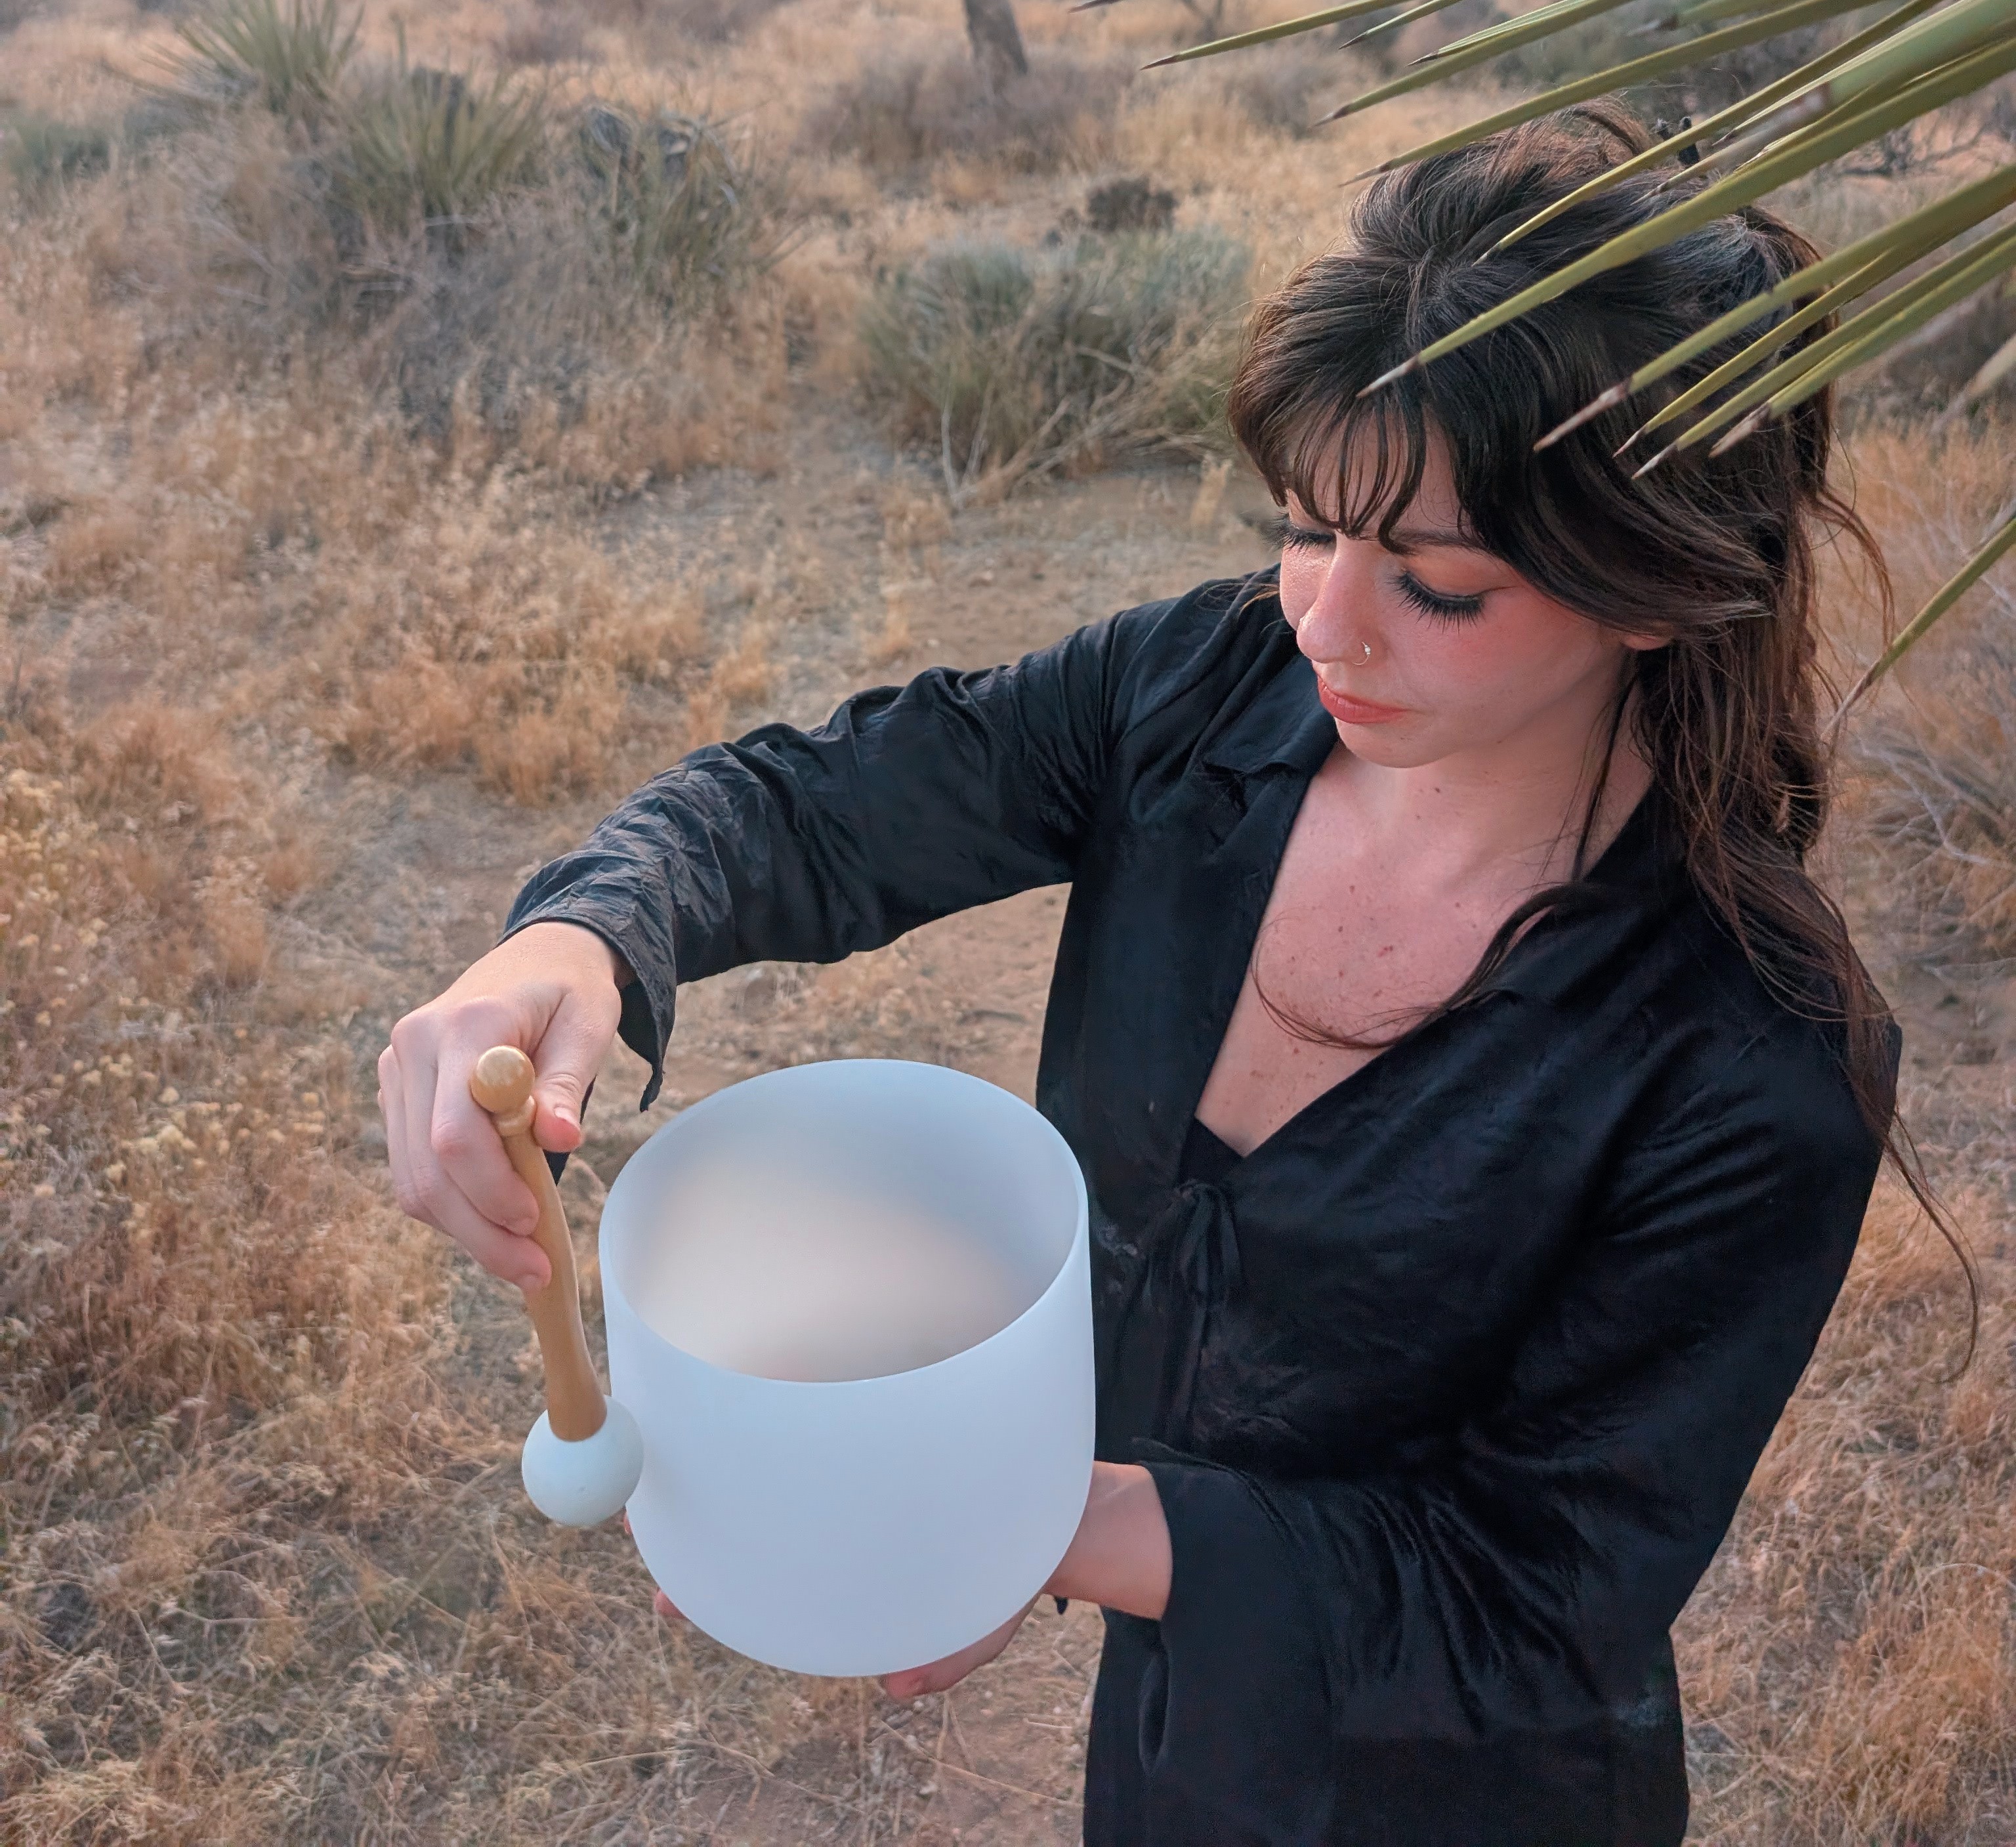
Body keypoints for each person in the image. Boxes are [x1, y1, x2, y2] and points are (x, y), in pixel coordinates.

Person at [381, 105, 1923, 1847]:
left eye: (1434, 586)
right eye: (1307, 530)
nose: (1327, 624)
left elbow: (1533, 1599)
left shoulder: (1753, 1054)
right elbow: (823, 805)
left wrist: (1017, 1517)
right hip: (1173, 1755)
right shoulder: (1203, 692)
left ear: (1649, 591)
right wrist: (574, 937)